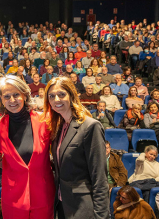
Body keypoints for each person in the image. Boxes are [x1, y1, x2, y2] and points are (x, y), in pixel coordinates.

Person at [0, 75, 54, 219]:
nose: (12, 100)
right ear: (1, 99)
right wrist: (7, 165)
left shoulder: (44, 121)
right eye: (7, 96)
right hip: (13, 198)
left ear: (24, 94)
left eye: (16, 94)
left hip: (43, 196)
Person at [43, 76, 109, 219]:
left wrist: (101, 215)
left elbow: (99, 176)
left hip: (83, 207)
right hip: (62, 205)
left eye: (61, 94)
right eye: (52, 96)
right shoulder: (58, 128)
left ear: (71, 96)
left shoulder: (90, 126)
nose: (56, 100)